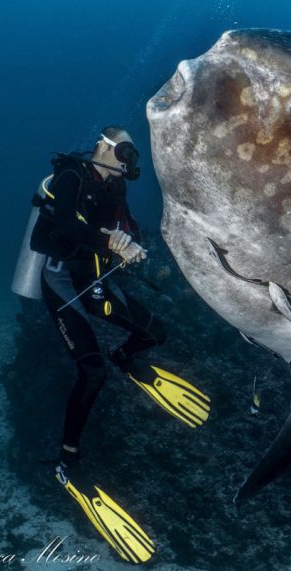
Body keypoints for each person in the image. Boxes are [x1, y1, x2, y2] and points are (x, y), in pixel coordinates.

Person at [30, 125, 210, 471]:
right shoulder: (71, 176)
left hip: (96, 281)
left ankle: (125, 357)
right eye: (124, 152)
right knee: (92, 373)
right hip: (62, 282)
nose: (128, 162)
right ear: (102, 147)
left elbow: (128, 224)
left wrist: (133, 244)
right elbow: (67, 227)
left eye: (132, 156)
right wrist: (112, 243)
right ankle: (67, 456)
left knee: (155, 333)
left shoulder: (115, 186)